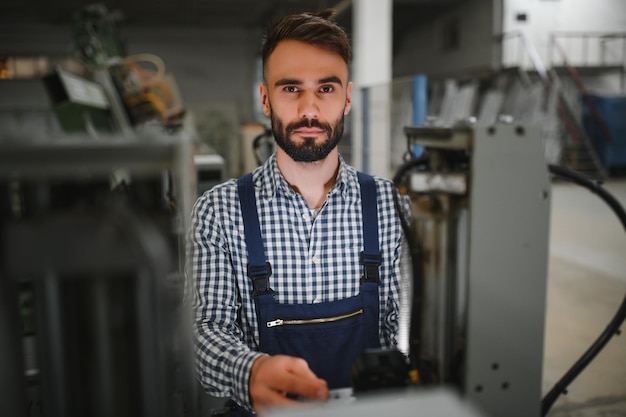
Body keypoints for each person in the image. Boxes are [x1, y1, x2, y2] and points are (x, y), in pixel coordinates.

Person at [188, 9, 409, 416]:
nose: (309, 110)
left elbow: (405, 326)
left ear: (347, 98)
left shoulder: (390, 206)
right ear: (266, 98)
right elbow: (205, 329)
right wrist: (248, 372)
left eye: (326, 89)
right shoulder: (218, 212)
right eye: (291, 88)